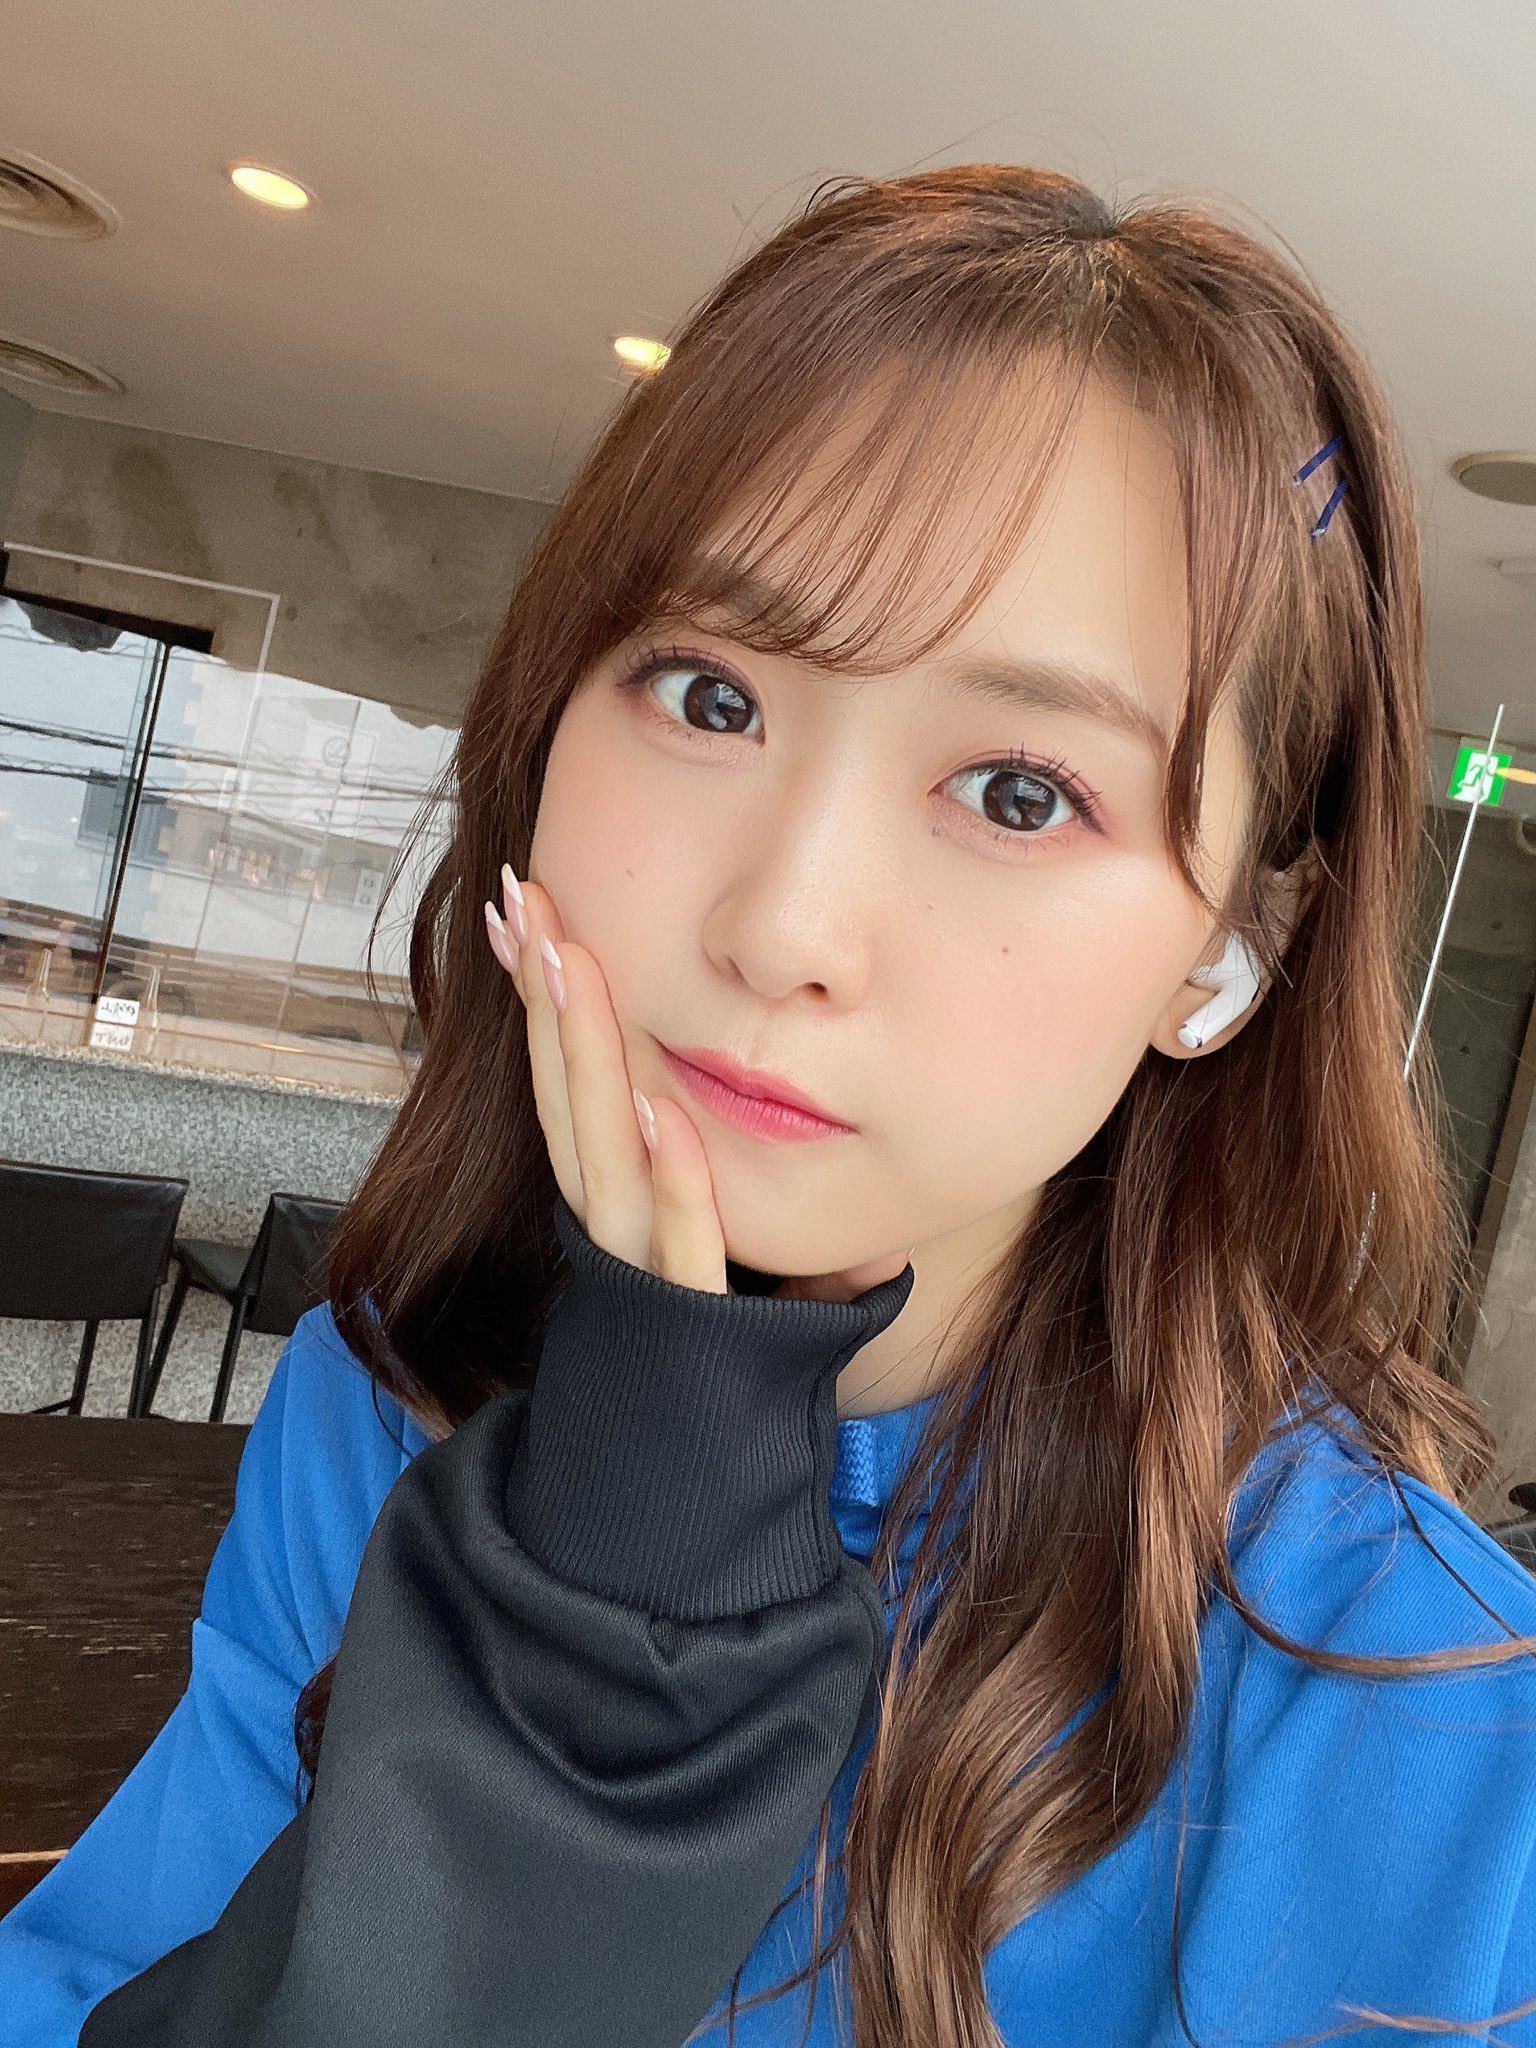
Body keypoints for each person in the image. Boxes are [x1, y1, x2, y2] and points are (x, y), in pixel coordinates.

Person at [4, 162, 1536, 2048]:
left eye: (1022, 793)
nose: (782, 925)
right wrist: (592, 1615)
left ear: (1228, 957)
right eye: (709, 696)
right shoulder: (385, 1404)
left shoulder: (1435, 1722)